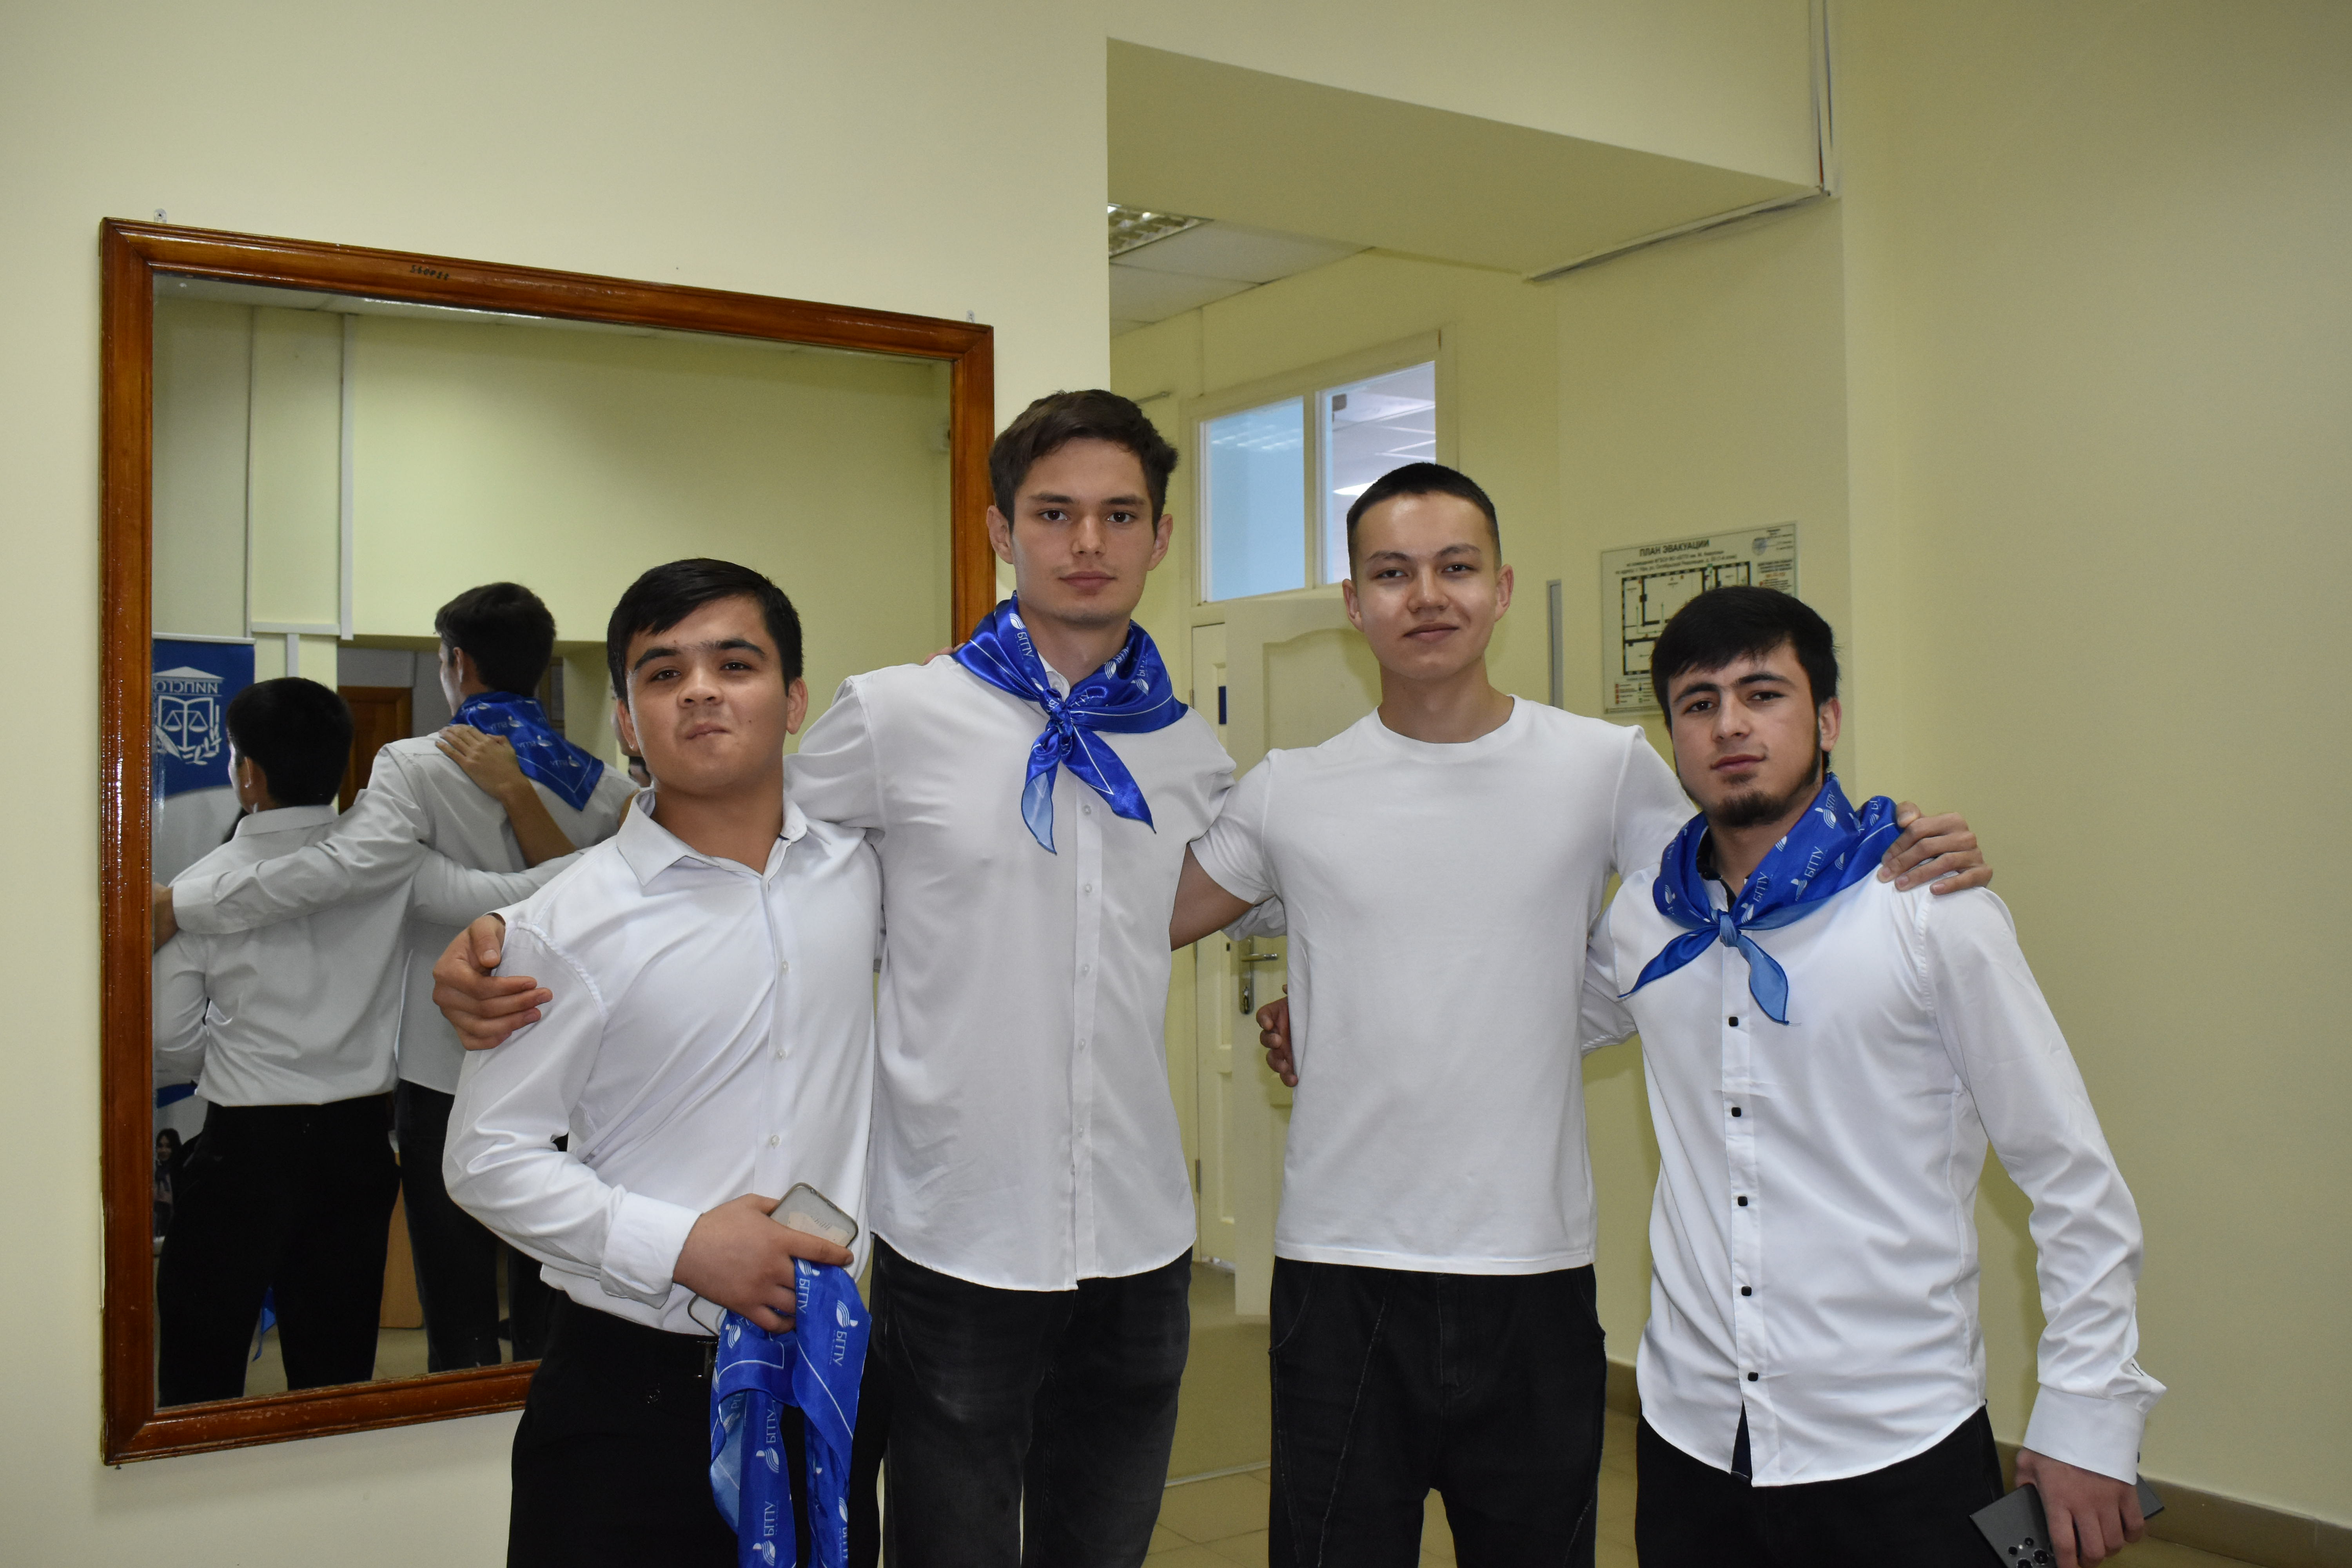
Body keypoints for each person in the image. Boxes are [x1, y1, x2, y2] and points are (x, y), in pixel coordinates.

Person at [435, 390, 1234, 1568]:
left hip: (1124, 1237)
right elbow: (723, 819)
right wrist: (509, 930)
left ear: (1161, 537)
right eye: (1054, 512)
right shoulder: (902, 718)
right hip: (946, 1245)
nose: (1087, 542)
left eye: (1120, 515)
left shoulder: (1190, 750)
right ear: (1002, 529)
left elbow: (1205, 895)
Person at [1172, 466, 1987, 1568]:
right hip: (1342, 1270)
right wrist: (1332, 996)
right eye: (1394, 573)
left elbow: (1735, 900)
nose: (1428, 595)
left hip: (1534, 1272)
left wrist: (1893, 844)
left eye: (1457, 567)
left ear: (1502, 588)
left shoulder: (1603, 768)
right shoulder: (1289, 789)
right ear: (1355, 603)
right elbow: (1138, 919)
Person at [1577, 586, 2161, 1568]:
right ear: (1673, 737)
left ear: (1829, 719)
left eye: (1764, 693)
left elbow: (2072, 1175)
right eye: (1699, 702)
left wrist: (2088, 1410)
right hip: (1692, 1438)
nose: (1731, 725)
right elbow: (1518, 1023)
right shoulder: (1645, 917)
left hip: (1898, 1439)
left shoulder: (1931, 910)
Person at [441, 559, 869, 1567]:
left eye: (736, 663)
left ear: (795, 701)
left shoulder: (867, 871)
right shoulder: (563, 924)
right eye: (664, 673)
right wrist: (680, 1244)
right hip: (630, 1399)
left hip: (831, 1376)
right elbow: (484, 1157)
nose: (701, 691)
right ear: (629, 722)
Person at [158, 582, 635, 1370]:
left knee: (455, 1296)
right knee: (554, 1282)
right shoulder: (612, 794)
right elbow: (578, 900)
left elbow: (344, 869)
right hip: (568, 1056)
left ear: (459, 664)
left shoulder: (412, 766)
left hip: (440, 1066)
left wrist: (183, 903)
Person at [151, 678, 407, 1404]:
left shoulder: (197, 888)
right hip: (359, 1143)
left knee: (202, 1366)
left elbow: (169, 1035)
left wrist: (234, 1061)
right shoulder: (383, 865)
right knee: (336, 1371)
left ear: (248, 773)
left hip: (247, 1146)